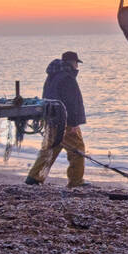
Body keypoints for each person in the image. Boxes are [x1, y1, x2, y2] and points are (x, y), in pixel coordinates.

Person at [26, 51, 87, 188]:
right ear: (72, 62)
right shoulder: (67, 78)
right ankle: (76, 181)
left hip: (52, 118)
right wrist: (73, 124)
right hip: (64, 121)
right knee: (77, 150)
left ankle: (34, 177)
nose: (77, 66)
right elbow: (71, 103)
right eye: (76, 62)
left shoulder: (52, 76)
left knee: (50, 149)